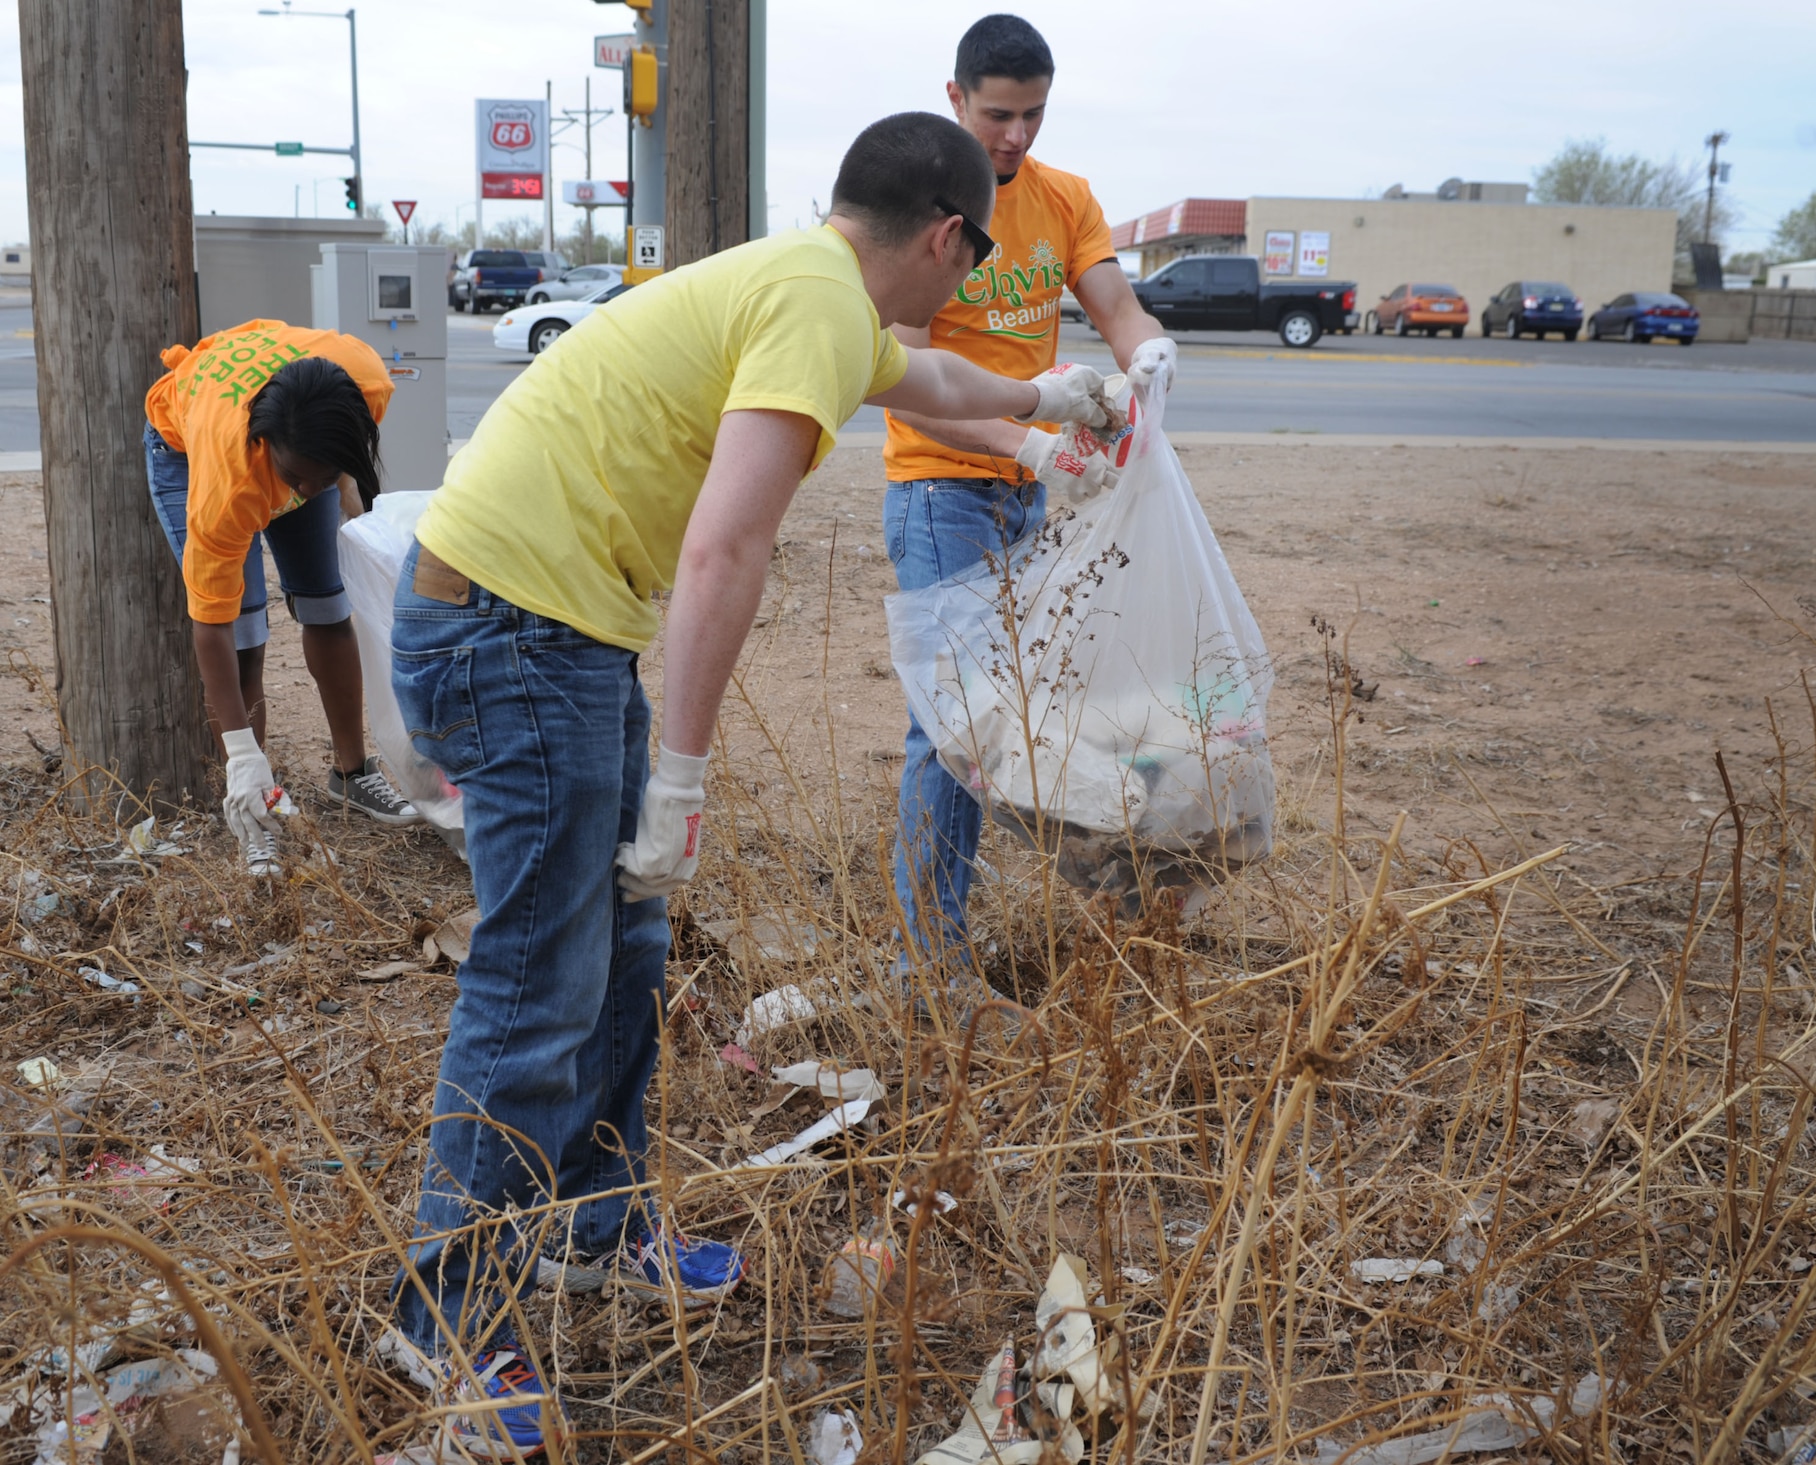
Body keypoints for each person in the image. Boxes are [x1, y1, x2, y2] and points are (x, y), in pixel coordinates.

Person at [380, 111, 1115, 1458]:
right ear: (947, 233)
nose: (967, 287)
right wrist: (683, 778)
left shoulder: (814, 289)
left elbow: (928, 375)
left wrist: (1039, 410)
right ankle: (437, 1310)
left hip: (547, 626)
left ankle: (592, 1231)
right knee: (537, 976)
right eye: (973, 260)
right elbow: (726, 551)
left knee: (629, 948)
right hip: (508, 631)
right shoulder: (815, 306)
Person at [881, 14, 1177, 998]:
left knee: (997, 720)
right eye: (998, 113)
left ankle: (946, 929)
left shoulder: (1064, 200)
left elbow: (1112, 301)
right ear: (956, 98)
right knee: (952, 726)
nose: (1013, 137)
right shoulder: (923, 207)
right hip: (940, 489)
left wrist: (1145, 353)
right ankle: (932, 960)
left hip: (1023, 497)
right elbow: (909, 370)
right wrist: (1033, 440)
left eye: (1032, 114)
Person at [143, 321, 420, 874]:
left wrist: (337, 479)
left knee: (328, 604)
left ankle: (352, 774)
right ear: (268, 446)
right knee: (245, 631)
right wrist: (244, 756)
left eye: (321, 479)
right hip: (191, 451)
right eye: (296, 480)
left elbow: (321, 465)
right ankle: (257, 803)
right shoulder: (230, 486)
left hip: (303, 440)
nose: (304, 495)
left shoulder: (364, 387)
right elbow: (212, 626)